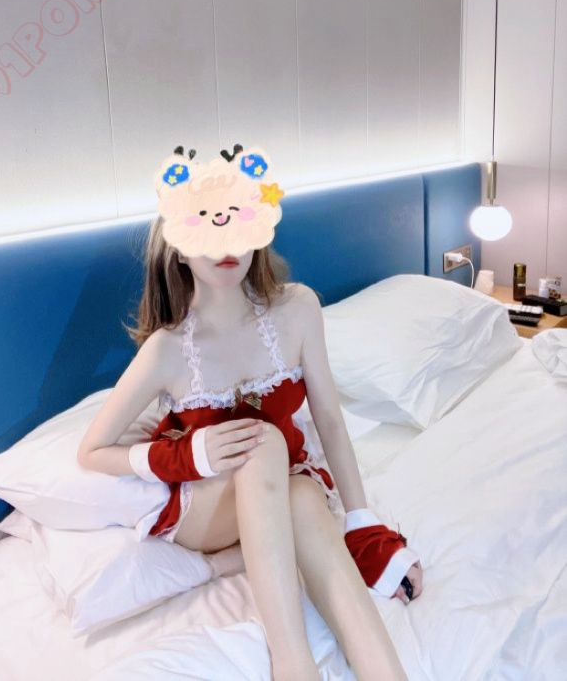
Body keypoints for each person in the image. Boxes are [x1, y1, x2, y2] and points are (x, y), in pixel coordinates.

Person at [78, 145, 422, 681]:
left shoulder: (298, 307)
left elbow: (330, 420)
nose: (227, 247)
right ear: (178, 248)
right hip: (205, 507)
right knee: (264, 442)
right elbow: (92, 452)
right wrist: (191, 454)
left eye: (237, 226)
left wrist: (363, 525)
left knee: (302, 492)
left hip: (283, 486)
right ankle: (292, 663)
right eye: (207, 230)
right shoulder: (168, 349)